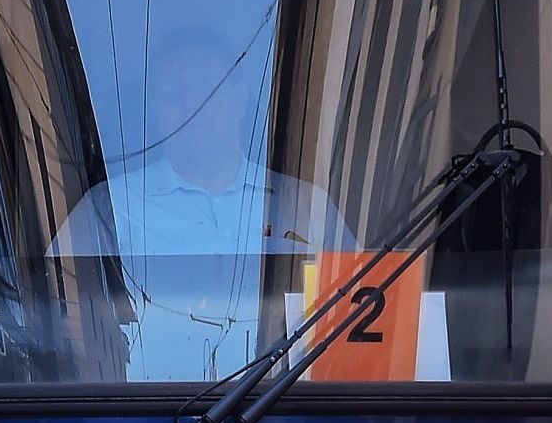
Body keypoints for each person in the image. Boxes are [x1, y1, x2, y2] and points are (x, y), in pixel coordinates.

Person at [50, 30, 352, 380]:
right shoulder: (109, 208)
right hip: (143, 406)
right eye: (174, 95)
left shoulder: (305, 205)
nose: (193, 107)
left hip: (287, 406)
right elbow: (58, 313)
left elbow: (362, 309)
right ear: (154, 109)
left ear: (239, 99)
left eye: (210, 89)